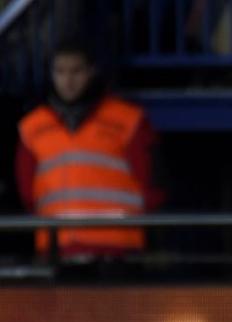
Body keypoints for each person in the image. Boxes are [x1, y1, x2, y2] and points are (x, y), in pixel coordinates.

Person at [16, 37, 162, 260]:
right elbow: (27, 193)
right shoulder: (32, 128)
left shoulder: (128, 121)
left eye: (76, 71)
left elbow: (153, 186)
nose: (68, 81)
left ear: (91, 71)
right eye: (60, 71)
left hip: (117, 251)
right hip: (57, 250)